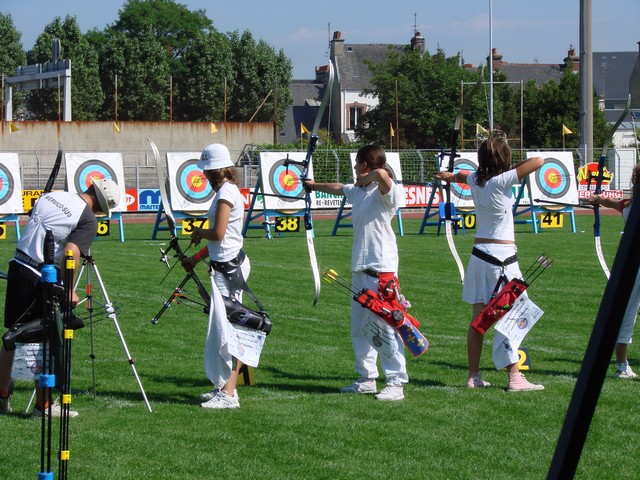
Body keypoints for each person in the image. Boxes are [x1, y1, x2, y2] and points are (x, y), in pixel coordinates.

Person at [0, 178, 121, 416]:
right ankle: (44, 406)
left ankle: (1, 398)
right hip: (40, 276)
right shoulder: (88, 219)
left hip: (18, 266)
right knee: (41, 339)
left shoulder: (53, 195)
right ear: (101, 208)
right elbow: (70, 253)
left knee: (12, 336)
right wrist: (68, 289)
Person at [436, 134, 544, 391]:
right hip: (502, 258)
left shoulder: (476, 179)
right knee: (515, 314)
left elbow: (462, 176)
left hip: (479, 257)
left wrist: (449, 176)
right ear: (503, 159)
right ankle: (514, 377)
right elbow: (538, 161)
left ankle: (473, 376)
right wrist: (510, 169)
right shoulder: (501, 180)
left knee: (479, 319)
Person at [304, 145, 408, 401]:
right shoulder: (359, 191)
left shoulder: (386, 192)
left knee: (386, 328)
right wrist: (313, 186)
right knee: (360, 328)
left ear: (365, 165)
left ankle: (396, 382)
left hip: (381, 270)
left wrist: (366, 177)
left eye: (357, 163)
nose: (353, 168)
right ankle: (366, 378)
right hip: (360, 269)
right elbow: (339, 188)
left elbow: (382, 175)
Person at [181, 143, 253, 409]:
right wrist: (195, 258)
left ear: (214, 170)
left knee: (230, 330)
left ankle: (230, 394)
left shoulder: (226, 193)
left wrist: (199, 232)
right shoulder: (226, 191)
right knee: (222, 329)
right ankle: (223, 386)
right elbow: (222, 240)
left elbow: (219, 234)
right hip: (225, 266)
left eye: (207, 171)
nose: (205, 175)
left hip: (230, 270)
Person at [589, 163, 640, 379]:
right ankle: (622, 366)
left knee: (626, 312)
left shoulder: (630, 205)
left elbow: (616, 203)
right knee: (627, 312)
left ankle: (622, 365)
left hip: (630, 264)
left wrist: (599, 199)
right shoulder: (630, 205)